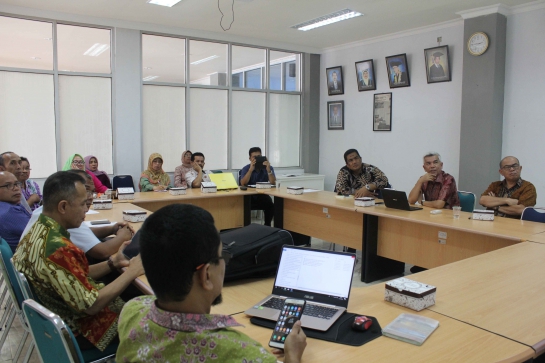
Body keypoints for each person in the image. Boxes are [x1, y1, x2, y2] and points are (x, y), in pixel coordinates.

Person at [116, 204, 307, 363]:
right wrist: (292, 355)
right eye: (222, 255)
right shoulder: (239, 352)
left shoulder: (132, 311)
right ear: (206, 275)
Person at [13, 171, 144, 351]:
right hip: (83, 330)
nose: (86, 209)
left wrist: (113, 262)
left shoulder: (40, 228)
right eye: (83, 204)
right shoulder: (58, 248)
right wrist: (132, 272)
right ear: (63, 207)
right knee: (157, 313)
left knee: (131, 291)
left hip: (66, 313)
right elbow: (92, 306)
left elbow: (71, 274)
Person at [21, 170, 134, 261]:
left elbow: (83, 233)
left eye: (92, 192)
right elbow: (102, 252)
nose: (90, 197)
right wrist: (123, 236)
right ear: (63, 205)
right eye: (85, 191)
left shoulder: (45, 213)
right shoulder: (58, 242)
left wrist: (111, 229)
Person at [240, 147, 276, 226]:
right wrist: (250, 170)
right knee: (243, 206)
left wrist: (268, 170)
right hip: (249, 196)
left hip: (261, 195)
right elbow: (243, 183)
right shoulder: (246, 168)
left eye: (259, 156)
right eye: (254, 157)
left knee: (270, 205)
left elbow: (273, 183)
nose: (257, 159)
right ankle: (246, 227)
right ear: (250, 158)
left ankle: (267, 225)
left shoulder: (268, 168)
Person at [0, 171, 31, 252]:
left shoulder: (11, 203)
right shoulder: (9, 212)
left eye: (17, 184)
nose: (16, 188)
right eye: (8, 185)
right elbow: (40, 232)